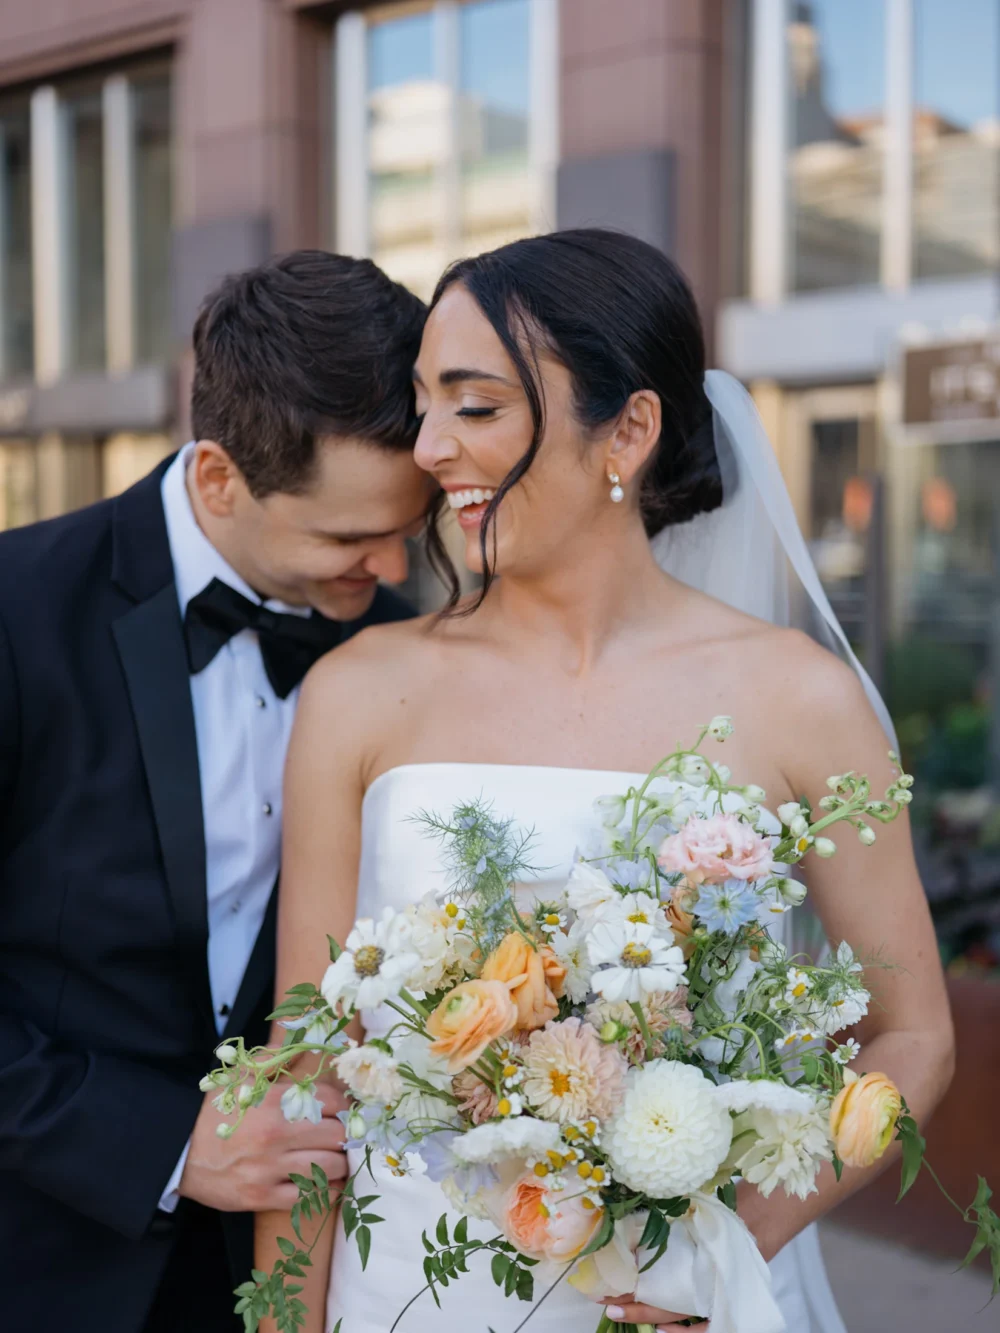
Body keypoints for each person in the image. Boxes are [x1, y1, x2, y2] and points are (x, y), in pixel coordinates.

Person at [262, 230, 954, 1333]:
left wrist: (728, 1247)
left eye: (475, 405)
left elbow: (914, 1036)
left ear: (627, 429)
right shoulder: (356, 691)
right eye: (422, 406)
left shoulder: (797, 699)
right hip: (402, 1298)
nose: (429, 447)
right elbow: (307, 1071)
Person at [0, 250, 436, 1332]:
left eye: (407, 529)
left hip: (302, 1272)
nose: (391, 570)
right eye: (348, 536)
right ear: (215, 479)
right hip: (42, 1258)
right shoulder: (16, 612)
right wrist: (165, 1144)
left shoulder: (408, 655)